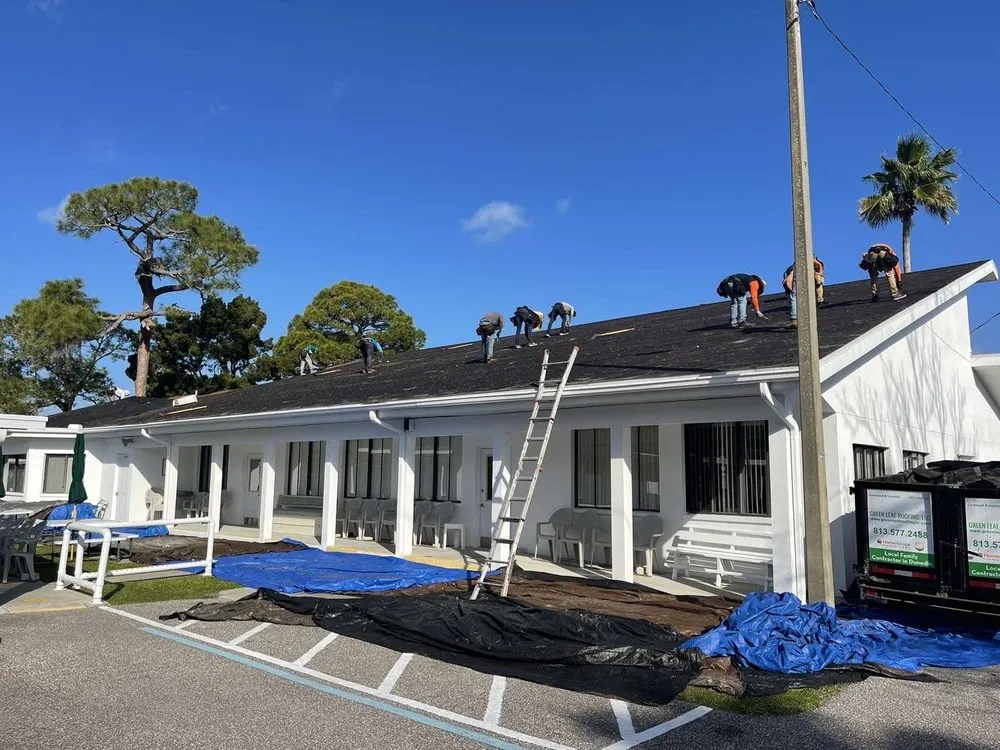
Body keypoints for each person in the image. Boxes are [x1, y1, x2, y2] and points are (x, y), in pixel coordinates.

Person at [782, 256, 825, 328]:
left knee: (794, 298)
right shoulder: (808, 261)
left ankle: (795, 319)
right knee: (795, 297)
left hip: (796, 280)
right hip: (796, 280)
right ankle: (818, 300)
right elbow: (788, 279)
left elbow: (787, 281)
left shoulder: (797, 265)